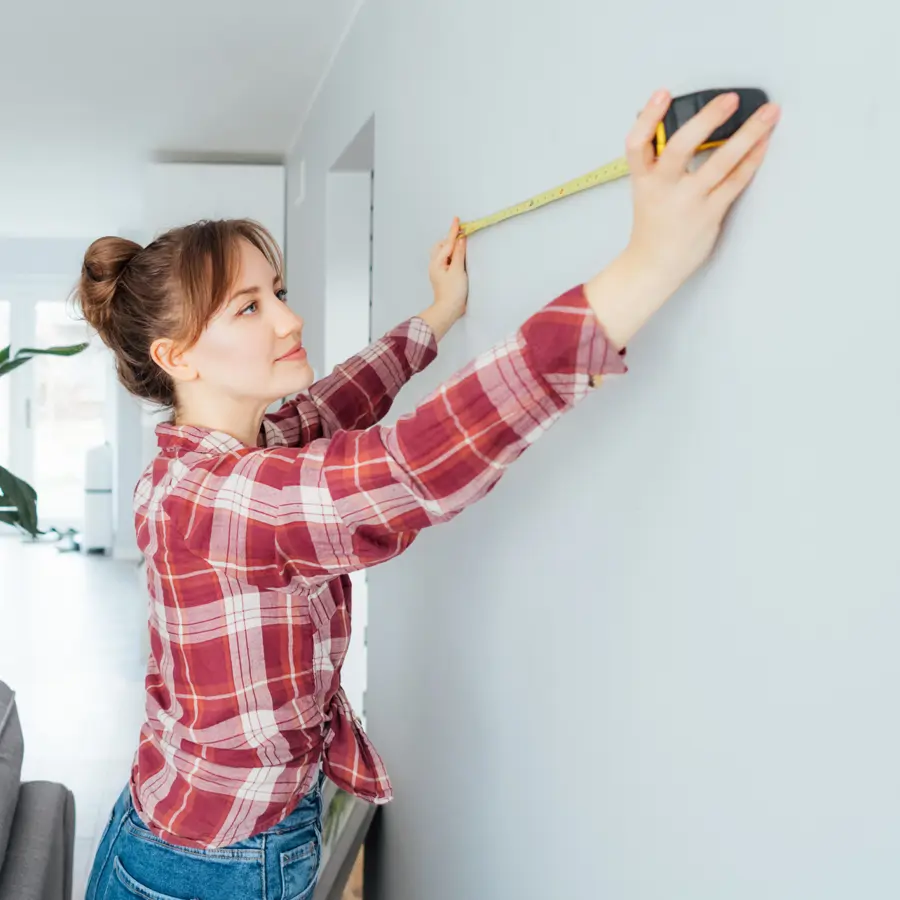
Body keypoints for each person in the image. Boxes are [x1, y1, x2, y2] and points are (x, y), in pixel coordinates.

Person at [78, 89, 779, 900]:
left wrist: (436, 318)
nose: (288, 317)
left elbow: (333, 402)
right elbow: (408, 467)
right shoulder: (217, 499)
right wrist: (646, 268)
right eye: (249, 306)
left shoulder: (225, 449)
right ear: (179, 357)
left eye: (278, 289)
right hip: (210, 866)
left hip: (174, 824)